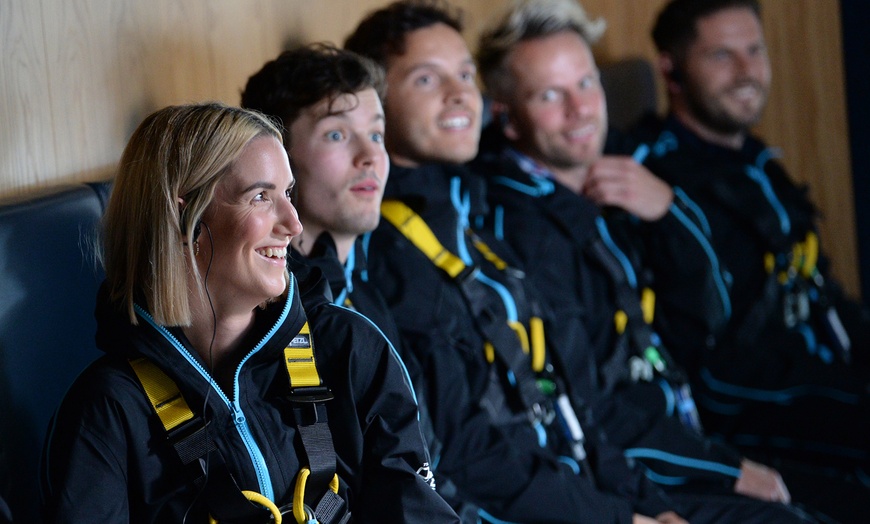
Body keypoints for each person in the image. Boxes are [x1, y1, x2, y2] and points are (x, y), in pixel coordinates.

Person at [345, 1, 814, 522]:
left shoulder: (486, 206)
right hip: (600, 477)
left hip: (627, 464)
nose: (580, 110)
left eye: (463, 74)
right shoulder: (478, 225)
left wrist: (669, 216)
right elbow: (479, 448)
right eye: (428, 80)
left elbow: (689, 333)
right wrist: (645, 508)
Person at [39, 102, 459, 523]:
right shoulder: (108, 408)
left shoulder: (348, 348)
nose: (293, 223)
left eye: (288, 193)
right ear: (184, 217)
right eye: (260, 196)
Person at [628, 0, 870, 520]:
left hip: (820, 376)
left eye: (754, 51)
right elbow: (708, 361)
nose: (746, 72)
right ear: (671, 69)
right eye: (721, 55)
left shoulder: (760, 166)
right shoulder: (648, 174)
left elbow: (820, 294)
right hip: (741, 405)